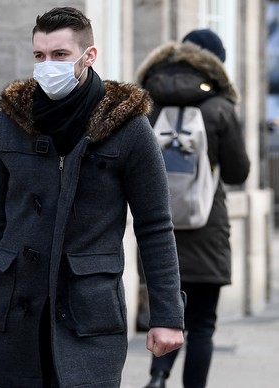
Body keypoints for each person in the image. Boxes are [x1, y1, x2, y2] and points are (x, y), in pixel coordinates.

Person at [0, 7, 185, 388]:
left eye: (59, 55)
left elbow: (156, 226)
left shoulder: (129, 128)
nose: (47, 66)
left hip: (89, 314)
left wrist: (168, 314)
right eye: (39, 56)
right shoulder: (8, 125)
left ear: (88, 57)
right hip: (18, 311)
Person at [137, 29, 250, 388]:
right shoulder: (220, 107)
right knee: (202, 324)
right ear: (215, 63)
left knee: (166, 315)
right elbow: (238, 171)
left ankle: (157, 377)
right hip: (207, 229)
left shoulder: (147, 104)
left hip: (157, 231)